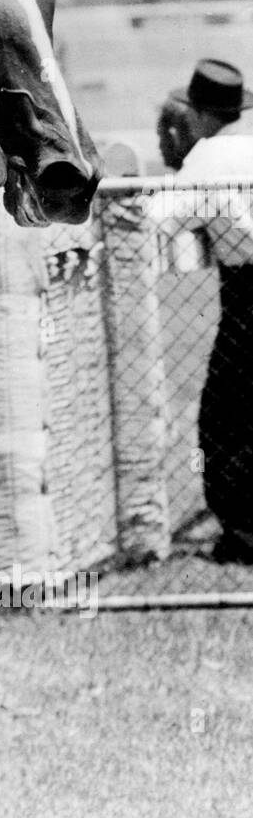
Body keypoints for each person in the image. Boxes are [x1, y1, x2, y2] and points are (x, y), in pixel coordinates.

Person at [155, 58, 253, 562]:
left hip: (247, 293)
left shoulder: (210, 158)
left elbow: (160, 221)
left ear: (194, 114)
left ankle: (242, 529)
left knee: (225, 416)